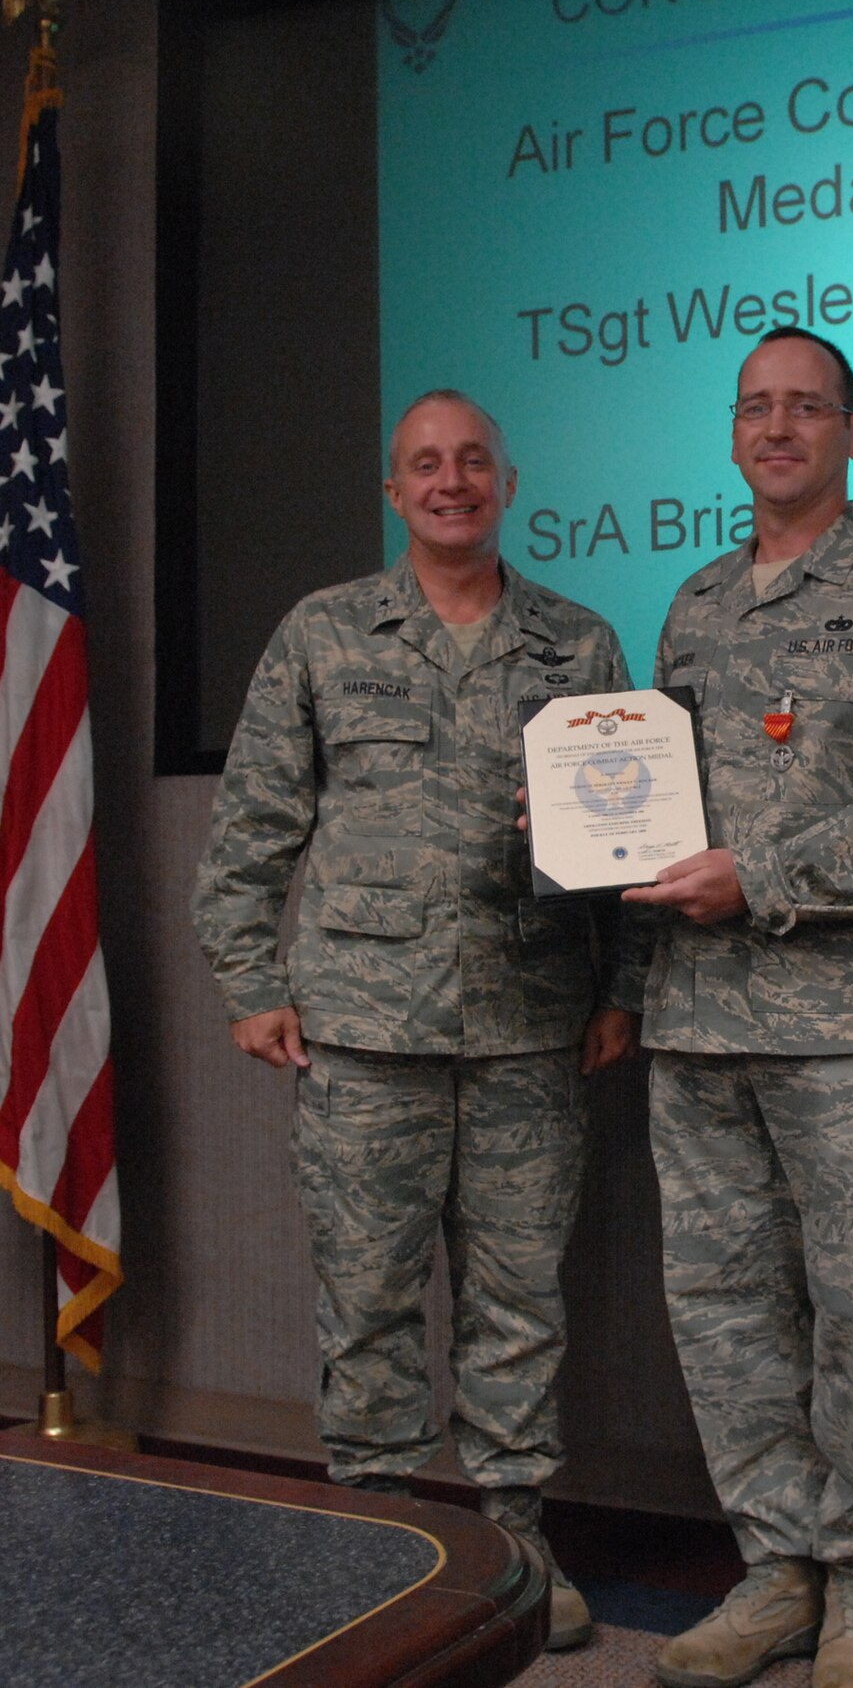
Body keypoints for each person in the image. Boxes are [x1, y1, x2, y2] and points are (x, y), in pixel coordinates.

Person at [191, 389, 640, 1652]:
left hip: (528, 1032)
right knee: (370, 1302)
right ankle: (372, 1537)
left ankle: (512, 1543)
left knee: (519, 1305)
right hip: (362, 1039)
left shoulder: (577, 644)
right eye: (424, 466)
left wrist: (623, 990)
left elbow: (635, 834)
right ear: (394, 494)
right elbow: (252, 828)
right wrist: (247, 983)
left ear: (509, 481)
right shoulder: (323, 635)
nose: (450, 482)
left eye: (472, 463)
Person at [630, 327, 853, 1688]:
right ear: (734, 434)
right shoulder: (695, 604)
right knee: (724, 1312)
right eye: (757, 408)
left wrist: (772, 879)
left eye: (808, 408)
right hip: (700, 1020)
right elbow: (653, 804)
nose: (779, 428)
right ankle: (776, 1568)